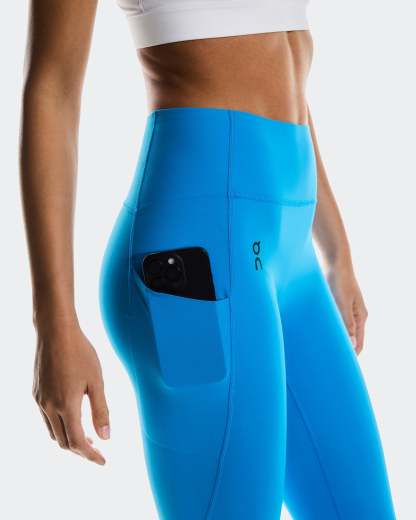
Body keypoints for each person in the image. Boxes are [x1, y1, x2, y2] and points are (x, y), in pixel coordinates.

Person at [19, 1, 397, 518]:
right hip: (199, 259)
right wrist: (54, 321)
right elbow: (51, 89)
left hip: (292, 259)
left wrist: (338, 251)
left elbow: (284, 78)